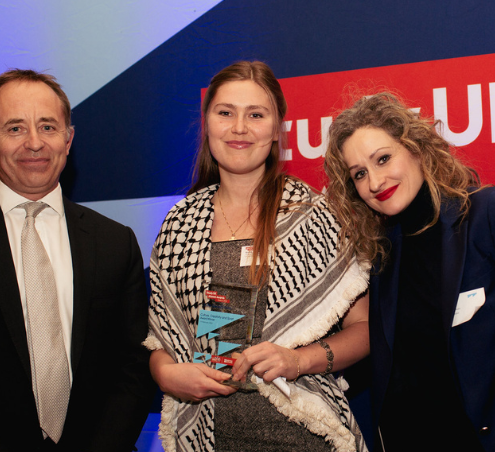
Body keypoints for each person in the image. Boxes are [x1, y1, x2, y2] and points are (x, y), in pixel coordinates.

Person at [324, 92, 495, 451]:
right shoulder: (378, 255)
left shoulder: (491, 214)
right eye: (359, 173)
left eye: (383, 158)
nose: (375, 182)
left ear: (417, 149)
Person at [144, 61, 369, 452]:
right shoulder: (179, 224)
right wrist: (165, 375)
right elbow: (161, 340)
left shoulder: (315, 215)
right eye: (225, 113)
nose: (239, 128)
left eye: (256, 115)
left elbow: (366, 332)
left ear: (276, 127)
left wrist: (299, 360)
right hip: (208, 436)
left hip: (306, 436)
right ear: (207, 122)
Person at [0, 69, 155, 451]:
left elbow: (133, 367)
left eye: (48, 127)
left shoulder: (115, 242)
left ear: (68, 140)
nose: (34, 143)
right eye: (15, 128)